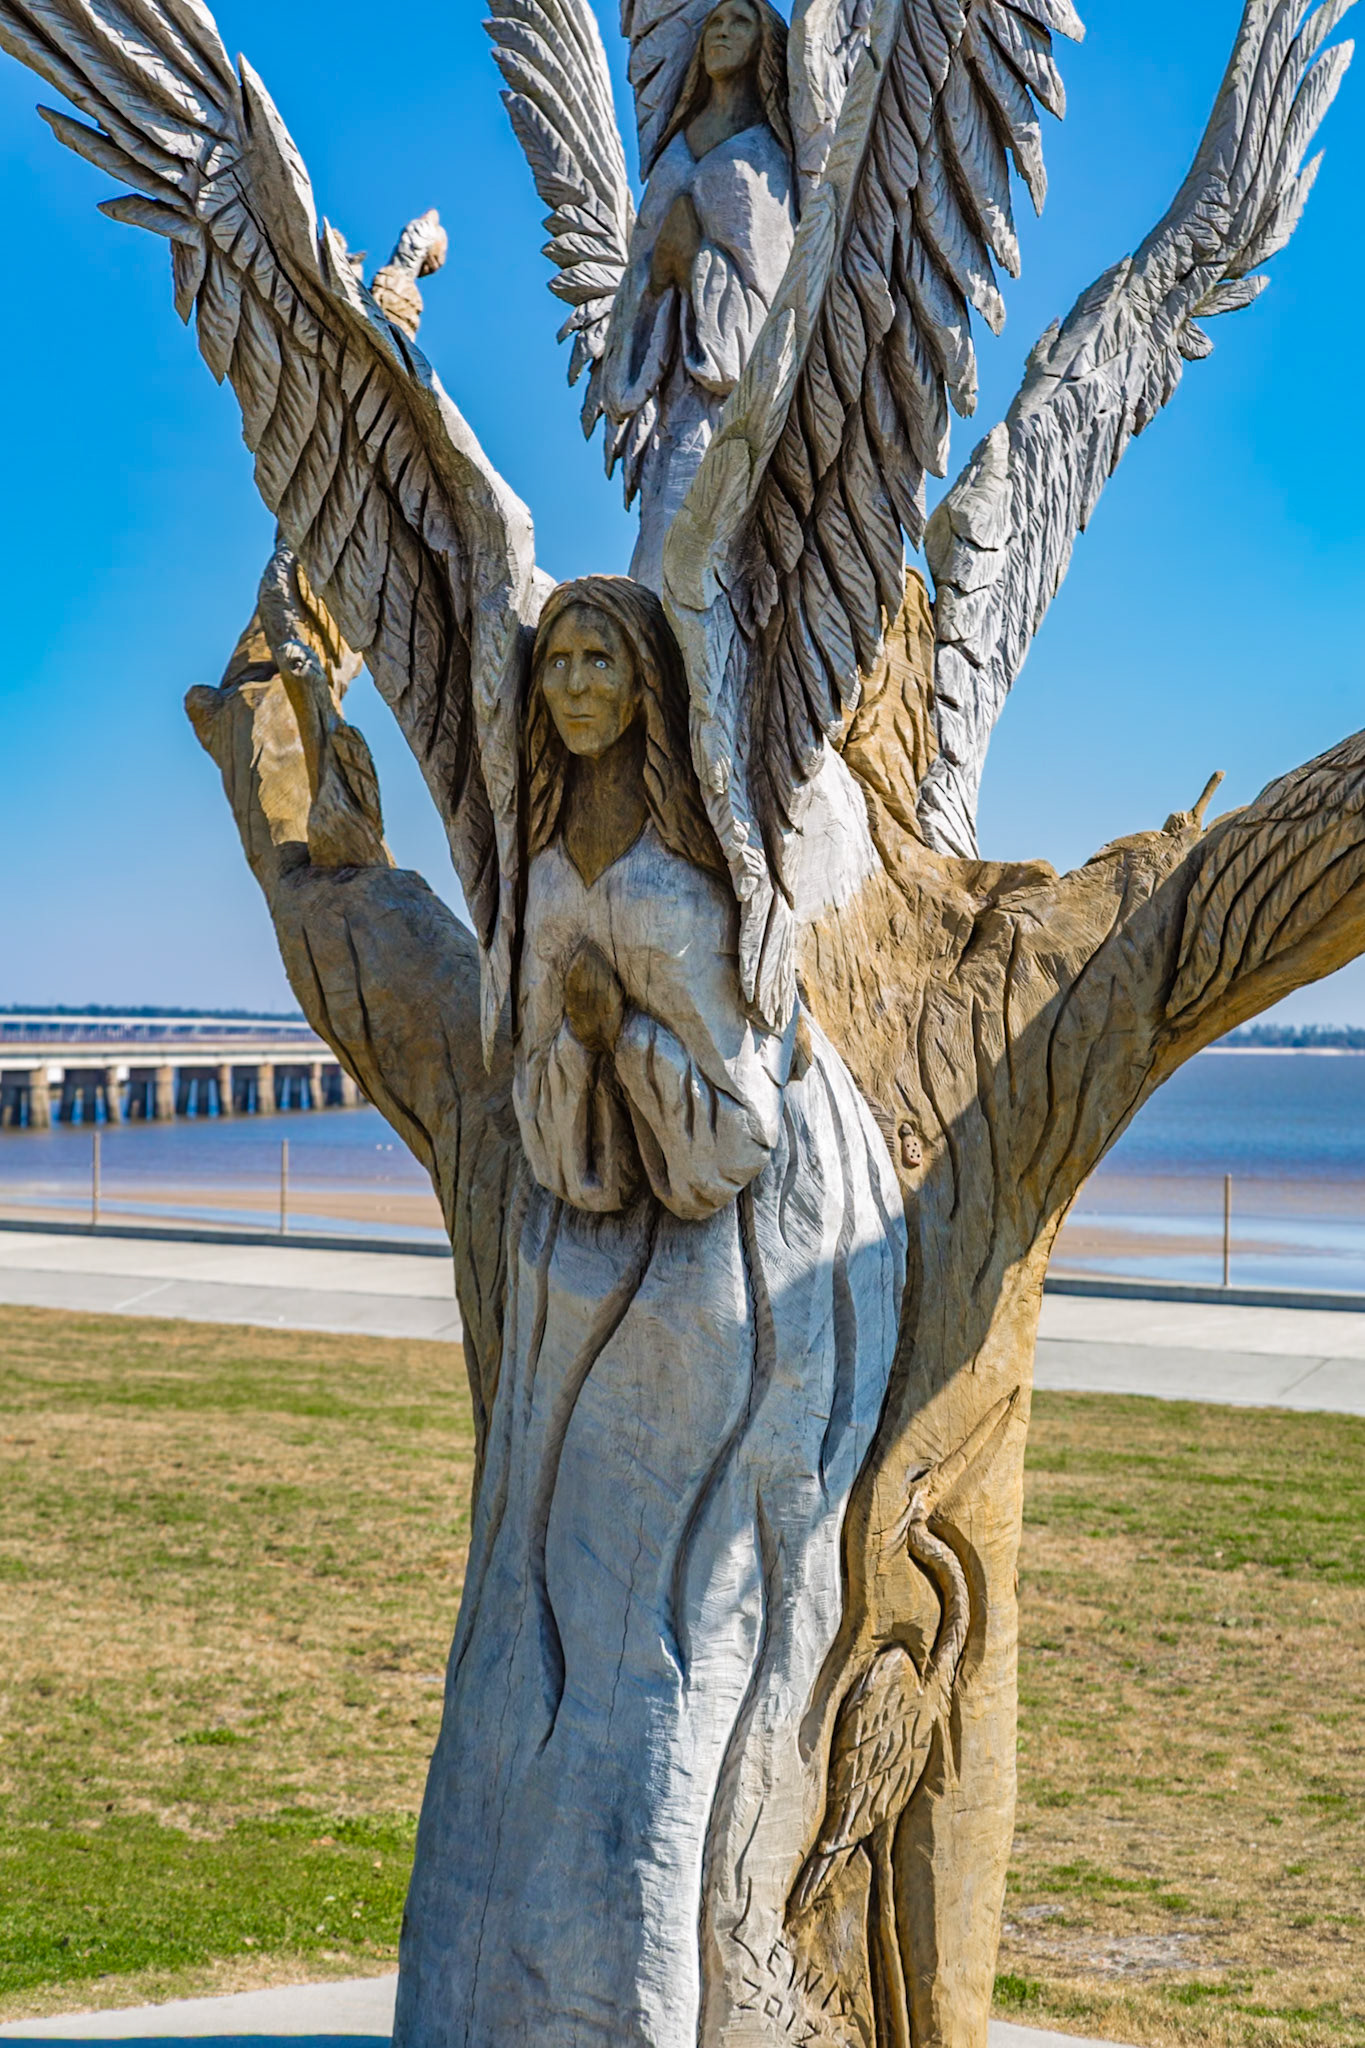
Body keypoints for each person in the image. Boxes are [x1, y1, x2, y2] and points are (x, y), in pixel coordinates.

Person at [397, 576, 906, 2044]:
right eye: (553, 658)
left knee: (672, 1684)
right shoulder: (551, 877)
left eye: (596, 656)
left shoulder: (690, 894)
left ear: (644, 690)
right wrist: (572, 1072)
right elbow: (558, 1149)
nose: (568, 681)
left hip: (725, 1314)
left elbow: (735, 1142)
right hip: (578, 1298)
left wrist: (623, 1040)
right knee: (524, 1653)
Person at [601, 0, 797, 589]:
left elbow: (772, 306)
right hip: (674, 406)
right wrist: (659, 277)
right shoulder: (673, 158)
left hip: (733, 416)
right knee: (658, 550)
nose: (721, 32)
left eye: (740, 21)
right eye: (713, 21)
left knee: (701, 568)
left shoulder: (766, 159)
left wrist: (696, 261)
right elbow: (638, 284)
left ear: (765, 44)